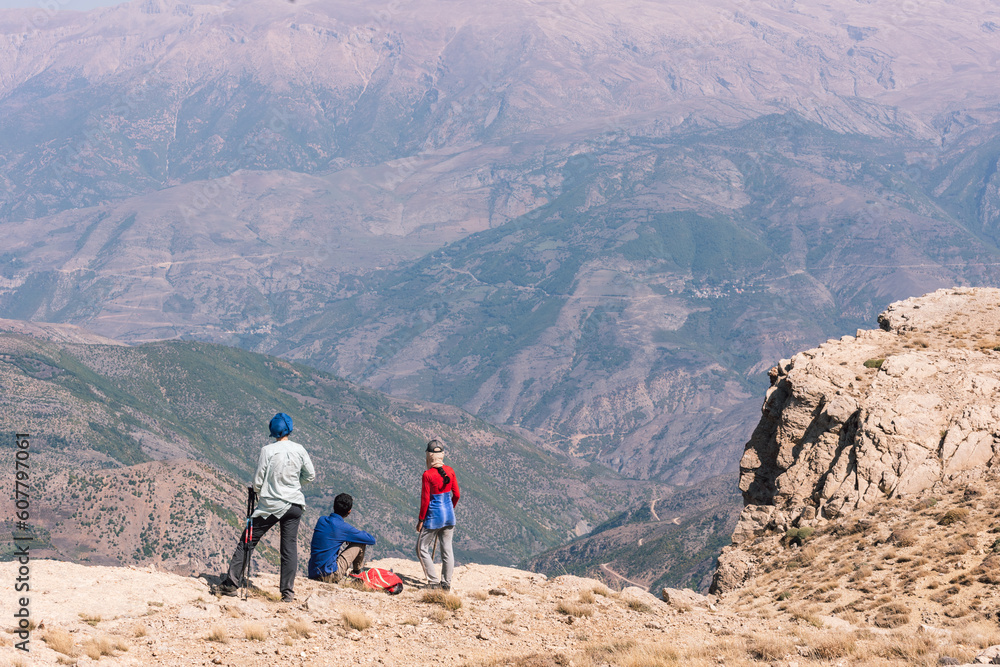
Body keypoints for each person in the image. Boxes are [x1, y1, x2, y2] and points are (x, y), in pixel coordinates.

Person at [219, 412, 315, 602]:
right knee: (289, 548)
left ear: (273, 432)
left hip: (271, 505)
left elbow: (258, 480)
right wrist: (293, 485)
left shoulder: (267, 451)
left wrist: (263, 489)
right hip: (295, 504)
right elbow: (310, 475)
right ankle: (287, 593)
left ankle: (231, 583)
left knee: (248, 540)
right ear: (290, 429)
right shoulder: (300, 449)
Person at [415, 439, 460, 590]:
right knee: (447, 549)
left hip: (434, 517)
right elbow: (457, 495)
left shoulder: (427, 475)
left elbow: (425, 499)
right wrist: (450, 508)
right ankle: (446, 584)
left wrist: (421, 519)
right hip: (449, 516)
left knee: (422, 548)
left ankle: (433, 582)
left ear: (429, 456)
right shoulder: (451, 471)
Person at [308, 493, 377, 582]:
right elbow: (371, 540)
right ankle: (357, 573)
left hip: (313, 573)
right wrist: (351, 537)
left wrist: (346, 537)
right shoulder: (343, 527)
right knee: (360, 542)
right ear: (349, 511)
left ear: (334, 506)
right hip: (329, 575)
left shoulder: (321, 520)